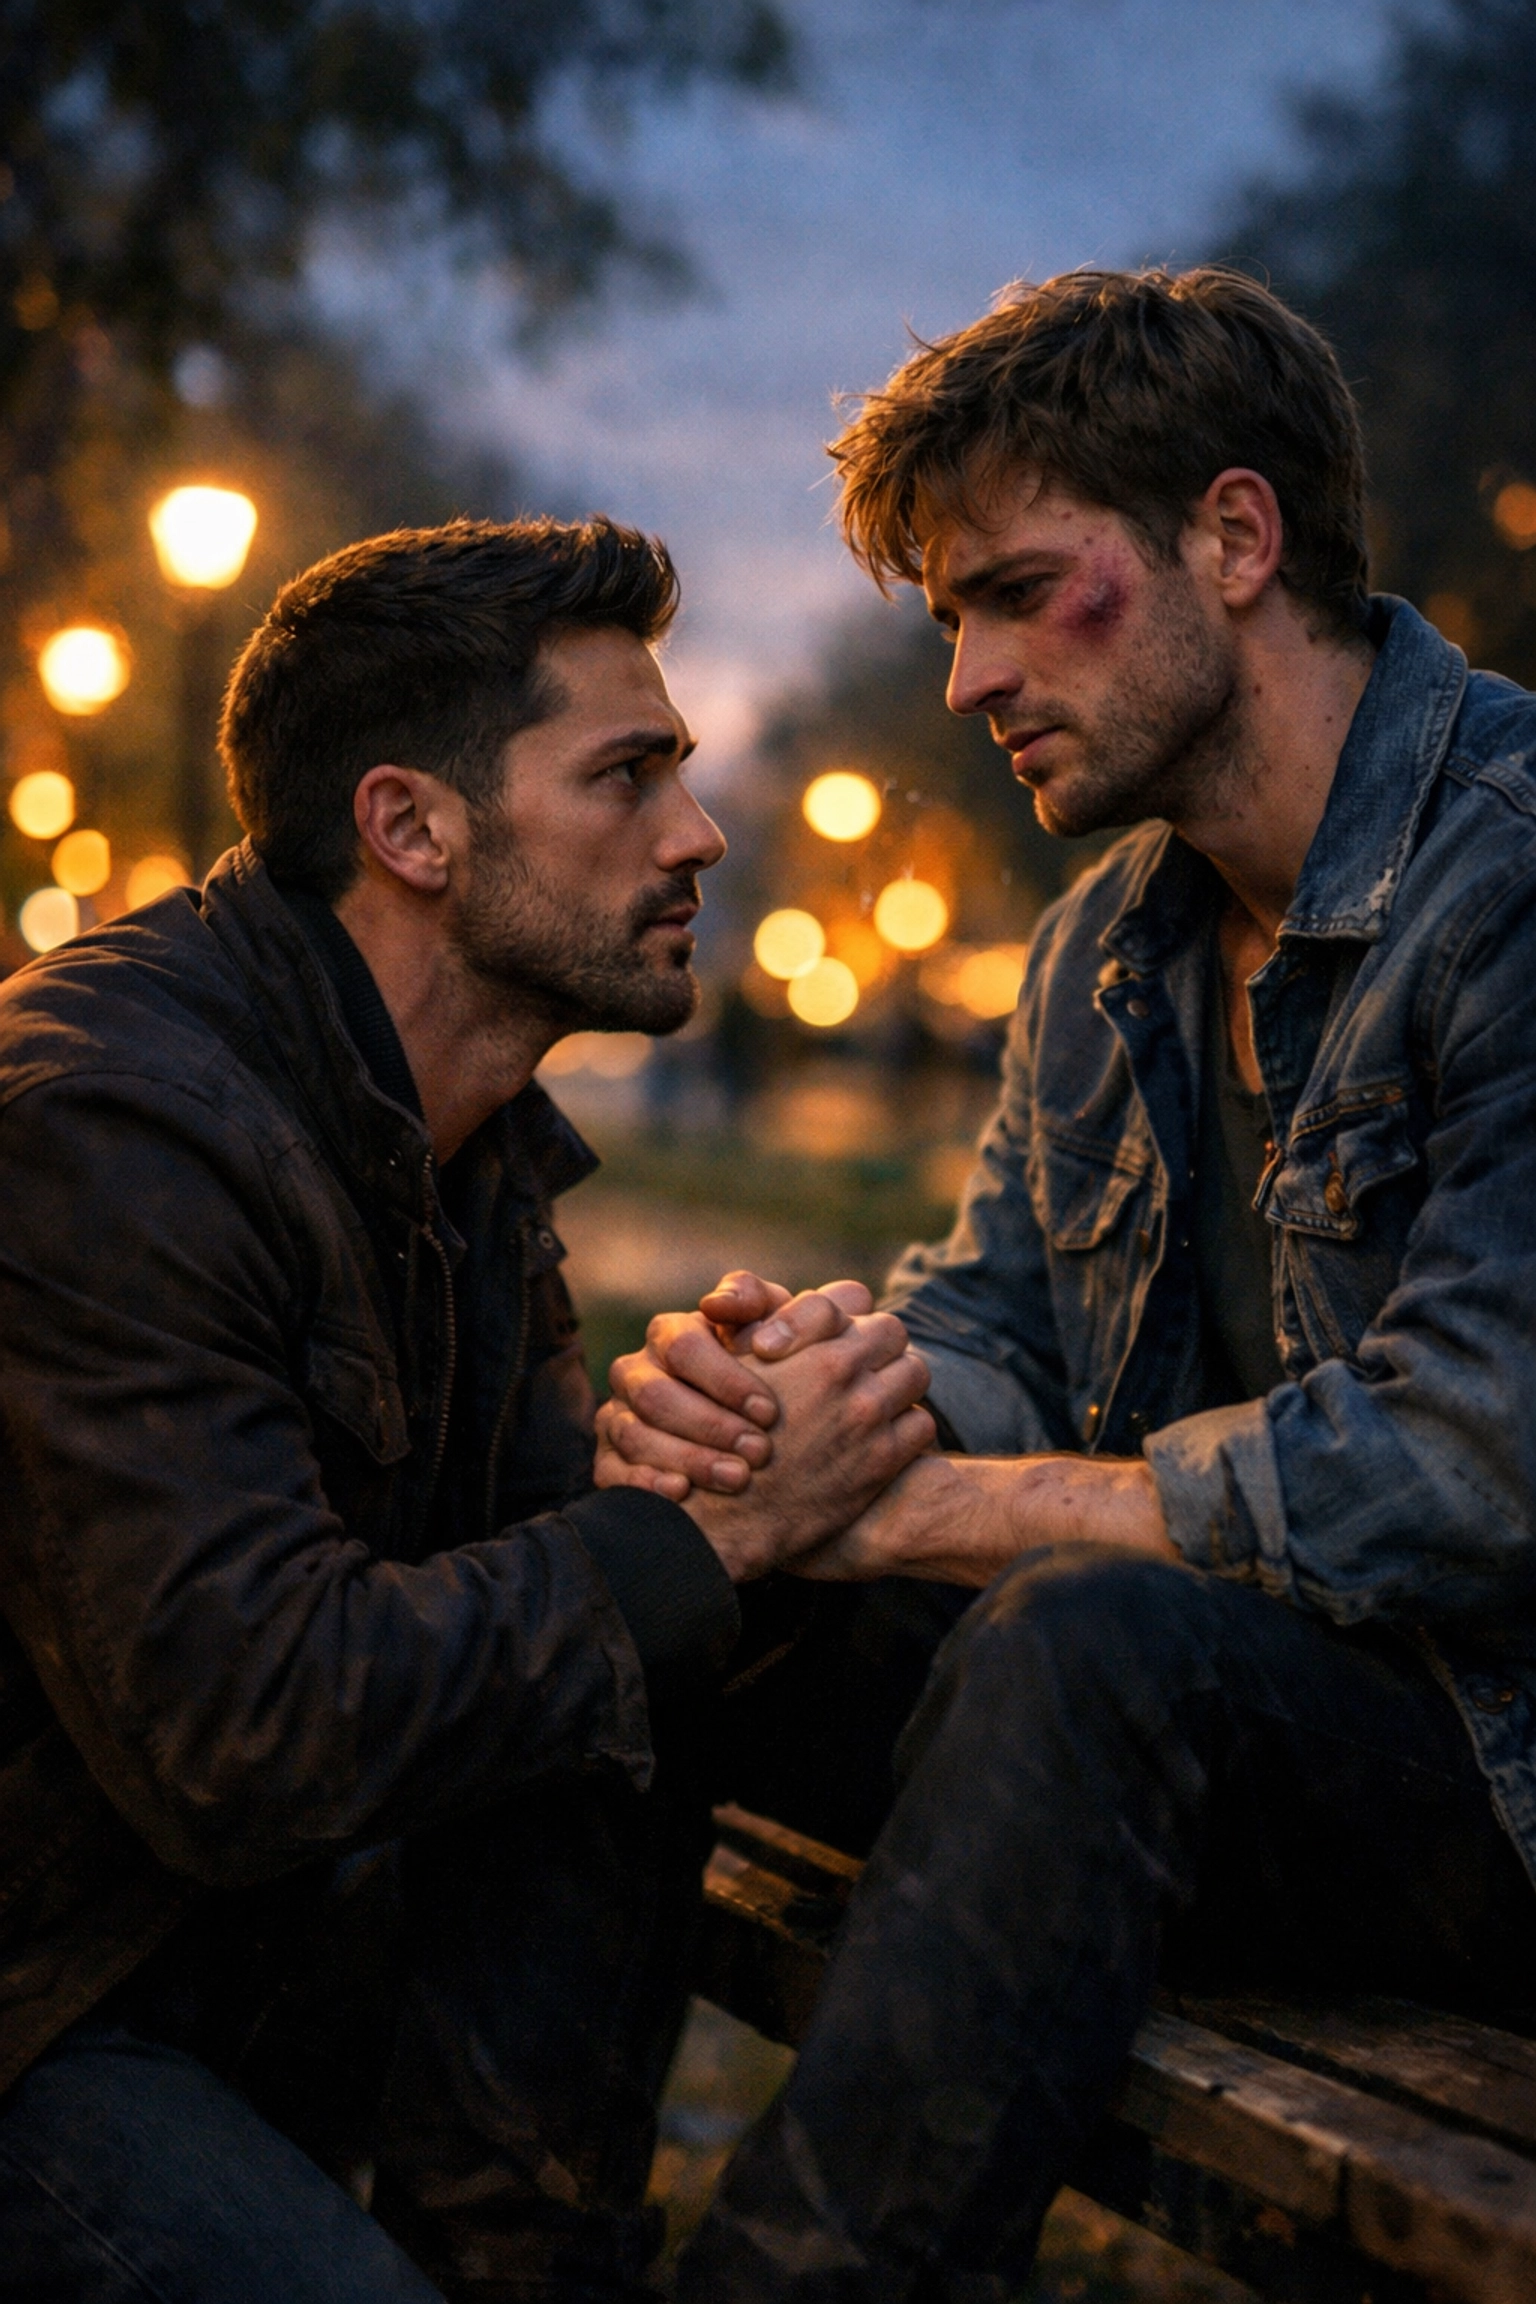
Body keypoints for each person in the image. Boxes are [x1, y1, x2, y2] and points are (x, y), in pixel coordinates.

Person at [596, 267, 1536, 2302]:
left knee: (1085, 1644)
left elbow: (1475, 1462)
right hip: (1235, 1747)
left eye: (1022, 591)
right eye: (950, 618)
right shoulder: (1112, 939)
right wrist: (788, 1409)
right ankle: (501, 2239)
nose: (965, 679)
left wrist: (941, 1511)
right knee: (667, 1596)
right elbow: (1006, 1316)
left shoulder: (1514, 877)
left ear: (1234, 536)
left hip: (1491, 1773)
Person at [0, 517, 937, 2302]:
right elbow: (249, 1728)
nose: (698, 834)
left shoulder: (461, 1133)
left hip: (254, 1947)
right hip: (49, 1997)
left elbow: (541, 1567)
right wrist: (703, 1527)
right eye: (628, 774)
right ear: (410, 827)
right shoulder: (107, 1126)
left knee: (647, 1684)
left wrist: (740, 1433)